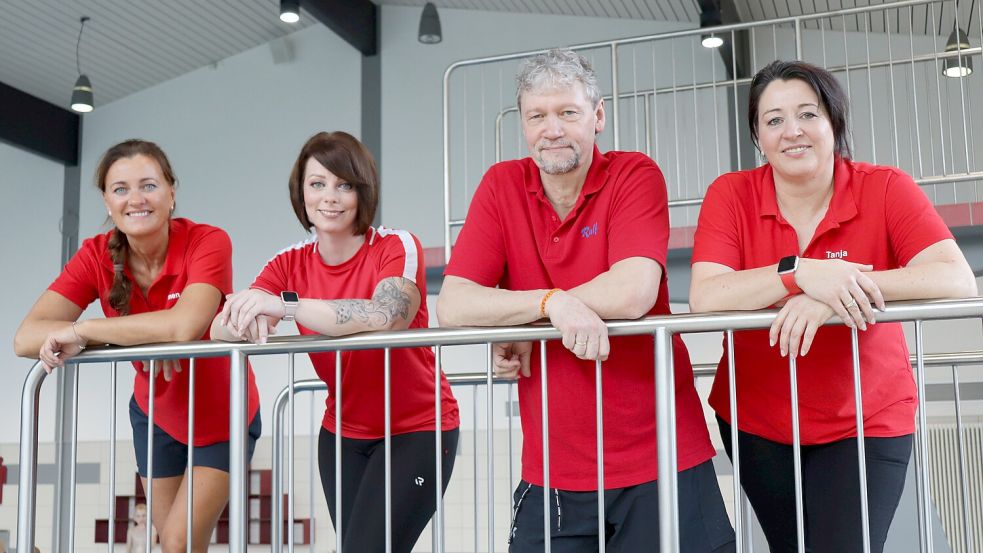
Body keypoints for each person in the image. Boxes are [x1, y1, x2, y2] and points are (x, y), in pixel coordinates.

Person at [437, 48, 735, 552]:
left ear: (597, 117)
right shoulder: (500, 185)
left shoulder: (634, 174)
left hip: (661, 453)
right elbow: (454, 305)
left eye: (567, 113)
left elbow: (633, 290)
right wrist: (549, 305)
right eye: (537, 116)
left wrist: (532, 316)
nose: (551, 129)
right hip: (554, 466)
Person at [689, 60, 977, 553]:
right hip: (757, 420)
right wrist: (797, 273)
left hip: (867, 414)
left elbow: (955, 279)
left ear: (834, 123)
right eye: (773, 119)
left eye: (808, 113)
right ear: (757, 136)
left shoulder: (883, 186)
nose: (792, 131)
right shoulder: (731, 194)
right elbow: (706, 295)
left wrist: (835, 294)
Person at [213, 131, 460, 553]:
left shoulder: (395, 246)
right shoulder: (287, 261)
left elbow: (385, 317)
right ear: (301, 192)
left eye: (344, 184)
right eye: (317, 184)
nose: (330, 197)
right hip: (342, 434)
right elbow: (221, 327)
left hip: (417, 430)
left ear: (363, 191)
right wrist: (244, 318)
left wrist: (284, 307)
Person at [13, 139, 262, 553]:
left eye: (149, 185)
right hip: (156, 415)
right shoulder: (95, 255)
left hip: (223, 417)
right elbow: (26, 337)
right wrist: (139, 334)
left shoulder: (208, 241)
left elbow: (185, 325)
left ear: (171, 192)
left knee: (181, 542)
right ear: (107, 201)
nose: (136, 199)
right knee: (172, 546)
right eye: (121, 189)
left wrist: (85, 329)